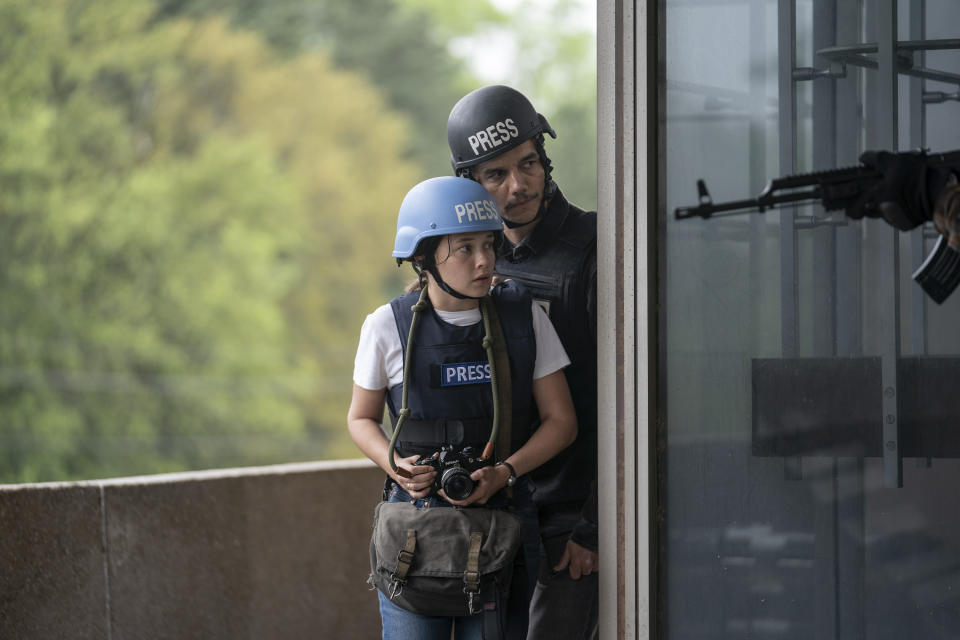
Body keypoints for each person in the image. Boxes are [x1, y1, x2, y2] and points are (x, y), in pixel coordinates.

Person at [348, 175, 578, 640]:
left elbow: (562, 422)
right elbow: (361, 418)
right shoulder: (385, 326)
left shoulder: (524, 317)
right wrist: (392, 463)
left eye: (489, 245)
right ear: (424, 258)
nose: (484, 261)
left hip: (502, 525)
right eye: (465, 248)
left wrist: (505, 472)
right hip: (413, 531)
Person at [447, 85, 600, 639]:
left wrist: (596, 528)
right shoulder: (473, 260)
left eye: (529, 163)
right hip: (498, 510)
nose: (519, 185)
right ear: (471, 183)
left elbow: (631, 397)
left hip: (570, 520)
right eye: (497, 175)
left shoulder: (593, 250)